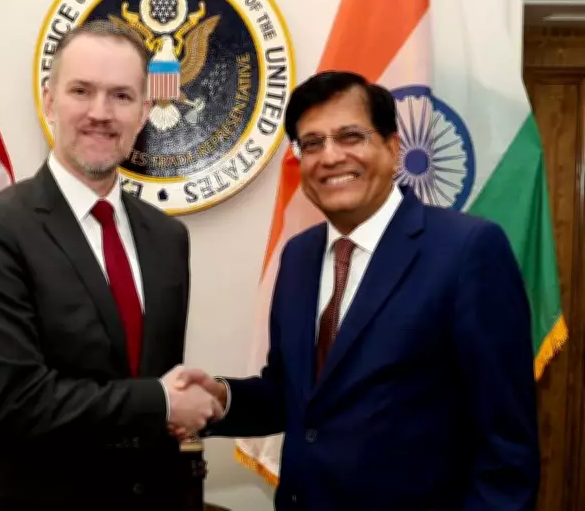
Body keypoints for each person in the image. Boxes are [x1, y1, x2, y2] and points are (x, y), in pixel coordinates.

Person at [182, 71, 540, 510]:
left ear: (392, 148)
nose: (330, 156)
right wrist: (222, 398)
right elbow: (295, 395)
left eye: (350, 136)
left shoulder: (468, 250)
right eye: (312, 143)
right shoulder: (298, 256)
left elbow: (507, 447)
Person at [0, 20, 222, 510]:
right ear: (50, 101)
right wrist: (162, 402)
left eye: (121, 96)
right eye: (82, 91)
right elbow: (14, 403)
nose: (100, 113)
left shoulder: (167, 238)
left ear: (144, 111)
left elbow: (152, 376)